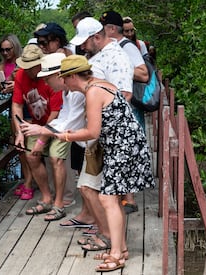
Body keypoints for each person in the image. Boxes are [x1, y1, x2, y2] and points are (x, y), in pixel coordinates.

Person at [56, 55, 155, 272]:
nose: (63, 83)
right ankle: (121, 249)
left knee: (107, 198)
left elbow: (93, 132)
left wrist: (66, 136)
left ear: (73, 76)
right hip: (123, 144)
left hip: (124, 147)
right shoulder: (102, 83)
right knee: (110, 198)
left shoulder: (93, 92)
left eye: (64, 78)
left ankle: (117, 255)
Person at [66, 17, 135, 248]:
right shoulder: (98, 56)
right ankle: (110, 239)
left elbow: (124, 96)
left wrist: (98, 135)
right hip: (99, 138)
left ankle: (113, 243)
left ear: (97, 36)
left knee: (104, 194)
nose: (82, 47)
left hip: (108, 139)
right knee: (91, 189)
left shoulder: (117, 57)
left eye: (85, 42)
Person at [12, 44, 68, 222]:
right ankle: (46, 197)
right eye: (25, 66)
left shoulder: (51, 77)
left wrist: (42, 140)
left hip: (60, 122)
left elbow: (56, 113)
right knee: (31, 156)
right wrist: (19, 131)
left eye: (31, 66)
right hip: (36, 123)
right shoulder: (21, 75)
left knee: (55, 158)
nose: (27, 70)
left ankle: (59, 204)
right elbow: (17, 105)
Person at [100, 11, 149, 213]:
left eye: (103, 28)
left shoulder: (127, 47)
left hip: (130, 106)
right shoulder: (111, 48)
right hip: (118, 104)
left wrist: (122, 66)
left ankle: (130, 199)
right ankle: (122, 197)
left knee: (128, 152)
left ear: (111, 28)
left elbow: (144, 74)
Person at [34, 22, 77, 208]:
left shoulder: (63, 59)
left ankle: (64, 199)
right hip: (64, 119)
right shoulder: (68, 89)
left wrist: (42, 134)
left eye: (44, 43)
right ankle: (59, 198)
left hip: (68, 119)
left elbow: (69, 120)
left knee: (60, 158)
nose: (42, 47)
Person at [0, 34, 34, 200]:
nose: (5, 53)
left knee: (29, 145)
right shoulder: (3, 65)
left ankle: (30, 183)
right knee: (18, 146)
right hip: (14, 104)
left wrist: (14, 82)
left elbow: (28, 83)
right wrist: (2, 86)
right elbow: (0, 85)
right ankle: (27, 180)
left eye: (8, 49)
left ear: (15, 48)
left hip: (27, 104)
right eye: (2, 50)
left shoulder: (23, 64)